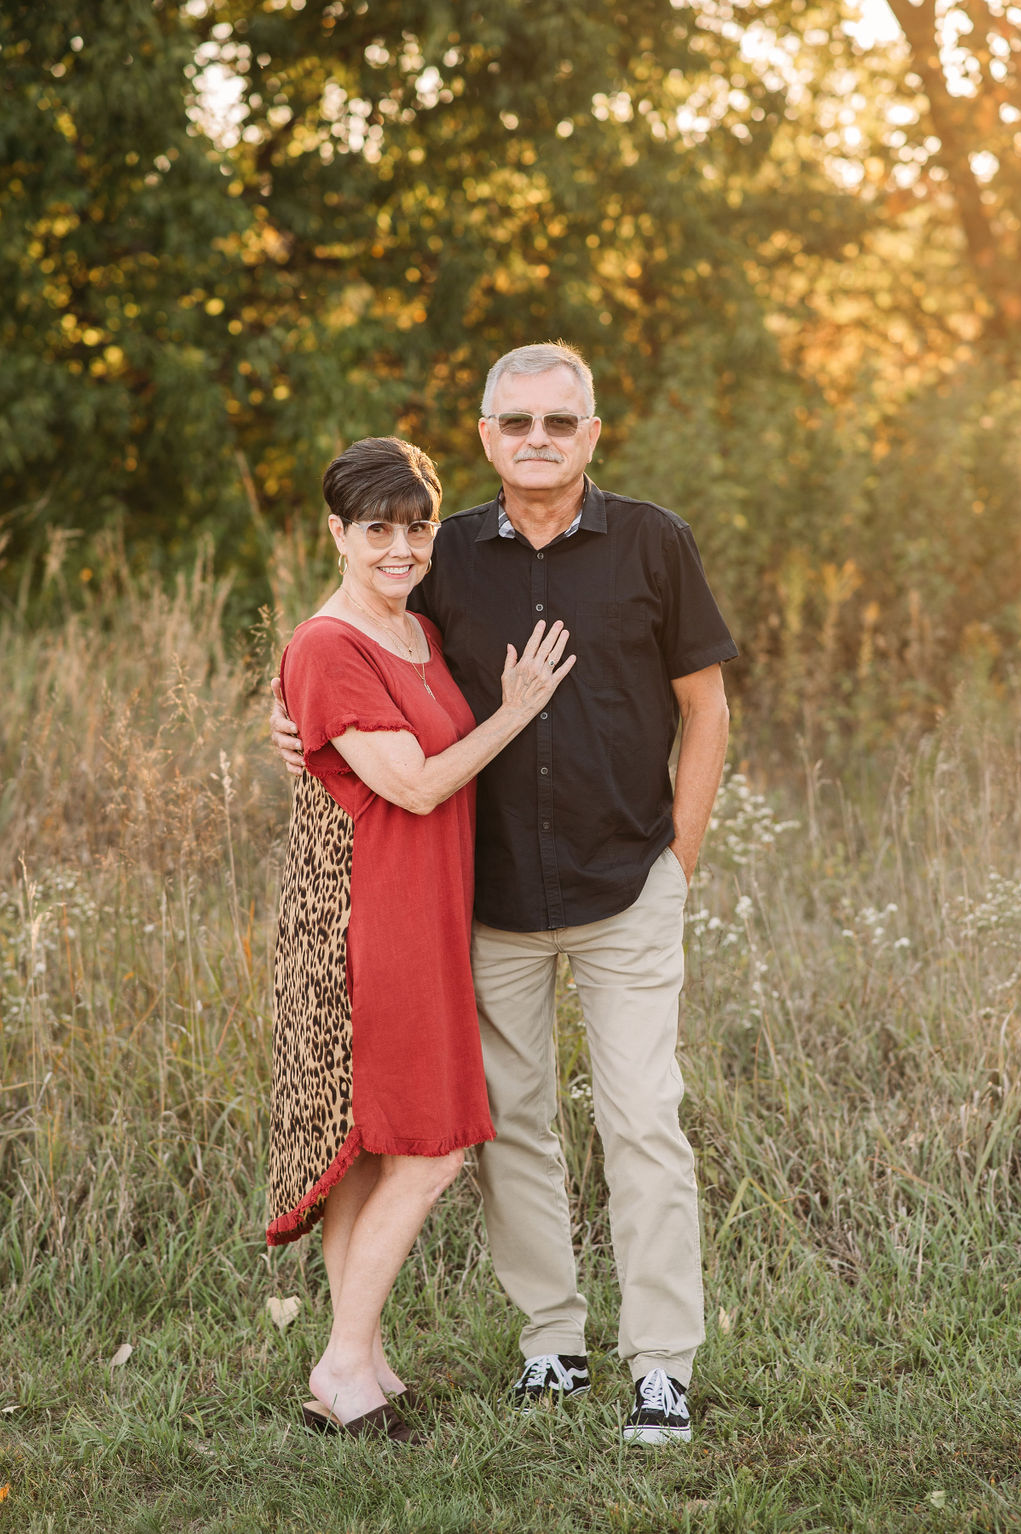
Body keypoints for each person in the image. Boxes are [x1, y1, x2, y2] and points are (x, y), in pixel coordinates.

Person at [270, 343, 737, 1446]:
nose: (538, 437)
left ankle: (661, 1362)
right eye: (515, 420)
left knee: (642, 1121)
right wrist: (283, 714)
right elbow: (355, 627)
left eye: (558, 421)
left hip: (627, 883)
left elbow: (707, 707)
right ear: (484, 436)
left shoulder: (652, 542)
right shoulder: (442, 551)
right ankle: (551, 1345)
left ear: (590, 432)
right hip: (484, 902)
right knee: (512, 1127)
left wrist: (681, 853)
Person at [267, 434, 574, 1443]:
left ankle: (360, 1359)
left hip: (423, 908)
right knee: (433, 1145)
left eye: (416, 527)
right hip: (371, 923)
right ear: (336, 535)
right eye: (377, 530)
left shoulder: (414, 633)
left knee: (370, 1150)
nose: (400, 548)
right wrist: (518, 709)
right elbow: (414, 782)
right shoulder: (330, 643)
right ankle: (342, 1360)